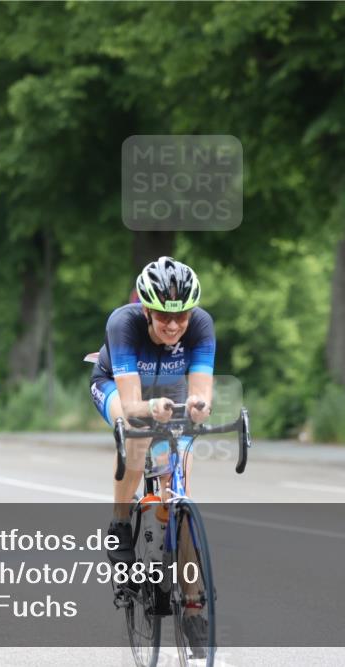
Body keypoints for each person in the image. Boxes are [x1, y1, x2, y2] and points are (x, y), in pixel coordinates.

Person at [89, 257, 214, 648]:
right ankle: (120, 523)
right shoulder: (122, 324)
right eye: (163, 316)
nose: (174, 325)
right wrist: (148, 408)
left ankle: (193, 608)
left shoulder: (202, 326)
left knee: (179, 496)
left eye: (182, 316)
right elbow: (130, 406)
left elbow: (201, 394)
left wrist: (198, 407)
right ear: (146, 309)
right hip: (117, 386)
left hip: (170, 390)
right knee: (138, 432)